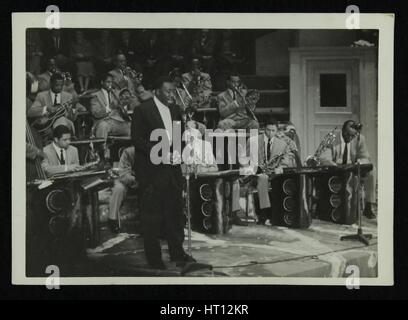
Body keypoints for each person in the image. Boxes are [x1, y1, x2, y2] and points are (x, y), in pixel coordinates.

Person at [131, 76, 195, 269]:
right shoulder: (142, 110)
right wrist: (159, 152)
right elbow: (137, 139)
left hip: (172, 173)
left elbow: (179, 138)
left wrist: (179, 153)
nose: (171, 95)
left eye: (173, 92)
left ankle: (177, 252)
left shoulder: (176, 110)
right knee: (151, 218)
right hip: (152, 173)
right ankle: (154, 258)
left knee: (175, 215)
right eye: (168, 91)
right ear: (157, 91)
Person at [319, 119, 376, 219]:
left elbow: (365, 157)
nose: (351, 138)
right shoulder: (331, 138)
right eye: (348, 135)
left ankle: (368, 206)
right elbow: (324, 157)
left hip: (353, 168)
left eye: (353, 135)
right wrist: (335, 166)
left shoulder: (359, 138)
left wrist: (359, 163)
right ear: (343, 131)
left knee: (371, 171)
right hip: (336, 169)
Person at [244, 118, 293, 224]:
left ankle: (275, 216)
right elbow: (244, 161)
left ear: (277, 131)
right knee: (263, 178)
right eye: (268, 130)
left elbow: (285, 163)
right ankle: (264, 214)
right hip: (256, 175)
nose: (270, 133)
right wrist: (253, 168)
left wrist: (279, 168)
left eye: (273, 131)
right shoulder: (252, 141)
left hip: (274, 175)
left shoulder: (283, 144)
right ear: (263, 129)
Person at [28, 72, 84, 138]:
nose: (59, 88)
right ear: (51, 84)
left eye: (61, 85)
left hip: (64, 125)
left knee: (61, 120)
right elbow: (30, 112)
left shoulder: (68, 96)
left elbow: (71, 118)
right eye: (57, 85)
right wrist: (46, 109)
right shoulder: (42, 96)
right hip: (45, 127)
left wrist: (73, 113)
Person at [108, 146, 137, 234]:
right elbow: (124, 175)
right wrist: (138, 180)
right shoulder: (128, 152)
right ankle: (112, 219)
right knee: (118, 189)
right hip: (129, 180)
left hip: (147, 182)